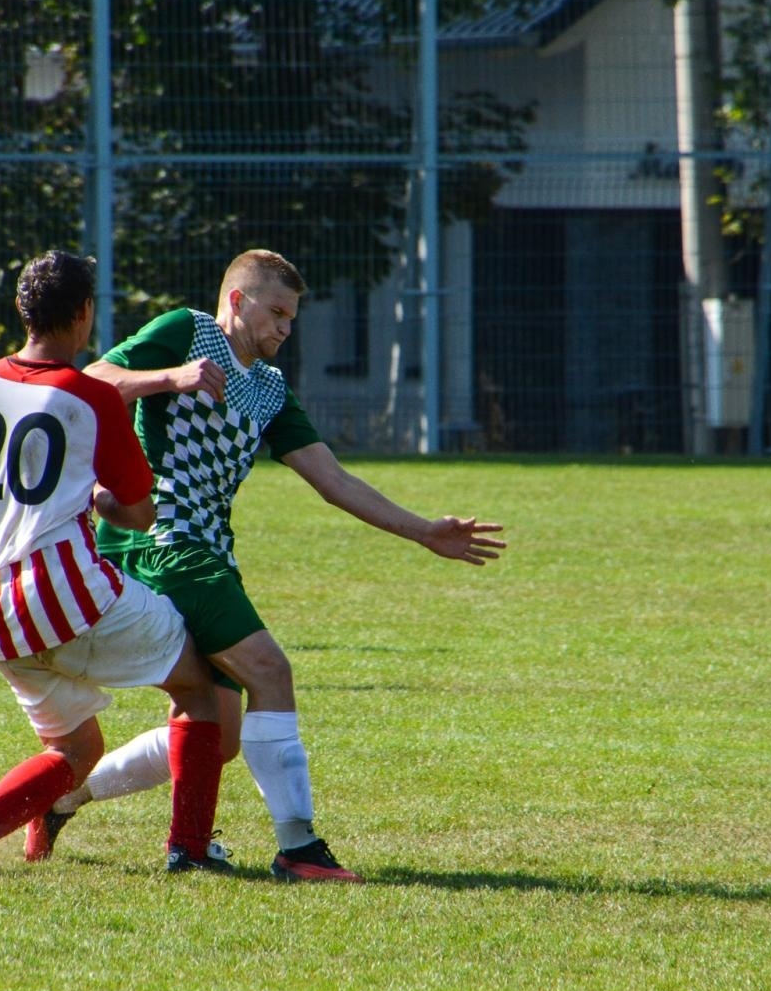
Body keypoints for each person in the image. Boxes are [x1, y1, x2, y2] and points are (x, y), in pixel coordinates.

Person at [25, 248, 506, 883]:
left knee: (217, 736)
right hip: (160, 542)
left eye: (292, 318)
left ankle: (63, 802)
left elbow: (333, 480)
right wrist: (173, 377)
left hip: (207, 553)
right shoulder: (186, 331)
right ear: (236, 301)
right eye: (275, 311)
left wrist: (423, 531)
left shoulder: (271, 390)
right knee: (270, 671)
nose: (284, 327)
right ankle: (298, 849)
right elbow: (92, 383)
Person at [0, 249, 225, 878]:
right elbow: (139, 513)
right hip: (69, 595)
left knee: (78, 748)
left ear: (22, 310)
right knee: (204, 692)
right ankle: (190, 852)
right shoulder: (89, 397)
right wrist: (95, 498)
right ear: (84, 314)